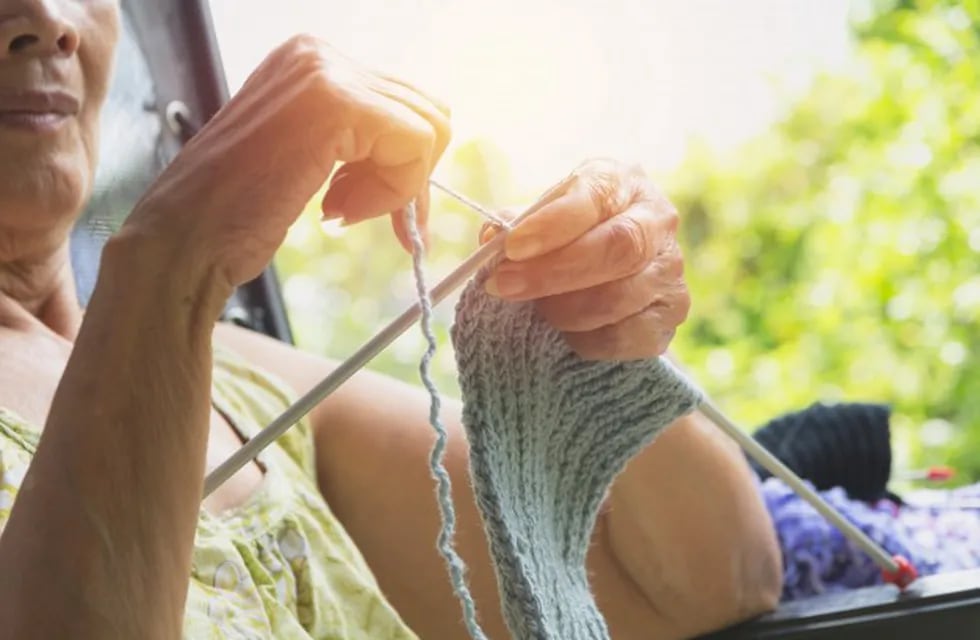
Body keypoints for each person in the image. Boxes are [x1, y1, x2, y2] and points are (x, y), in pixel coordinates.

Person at [0, 1, 783, 638]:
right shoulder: (172, 314)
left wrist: (605, 338)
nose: (44, 17)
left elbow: (711, 585)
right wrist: (173, 257)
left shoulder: (238, 374)